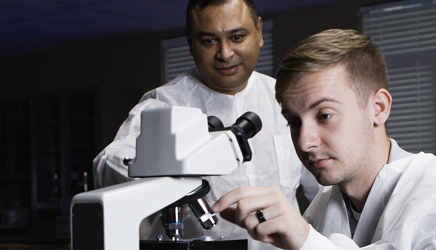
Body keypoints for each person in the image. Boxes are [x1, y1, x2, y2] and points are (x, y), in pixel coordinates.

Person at [212, 29, 436, 249]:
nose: (305, 141)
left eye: (325, 115)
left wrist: (307, 242)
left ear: (378, 108)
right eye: (294, 122)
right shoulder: (322, 210)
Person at [92, 0, 320, 249]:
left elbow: (323, 192)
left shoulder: (285, 100)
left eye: (237, 36)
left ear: (258, 32)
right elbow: (106, 165)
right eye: (209, 41)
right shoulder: (164, 104)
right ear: (190, 42)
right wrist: (159, 174)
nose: (225, 53)